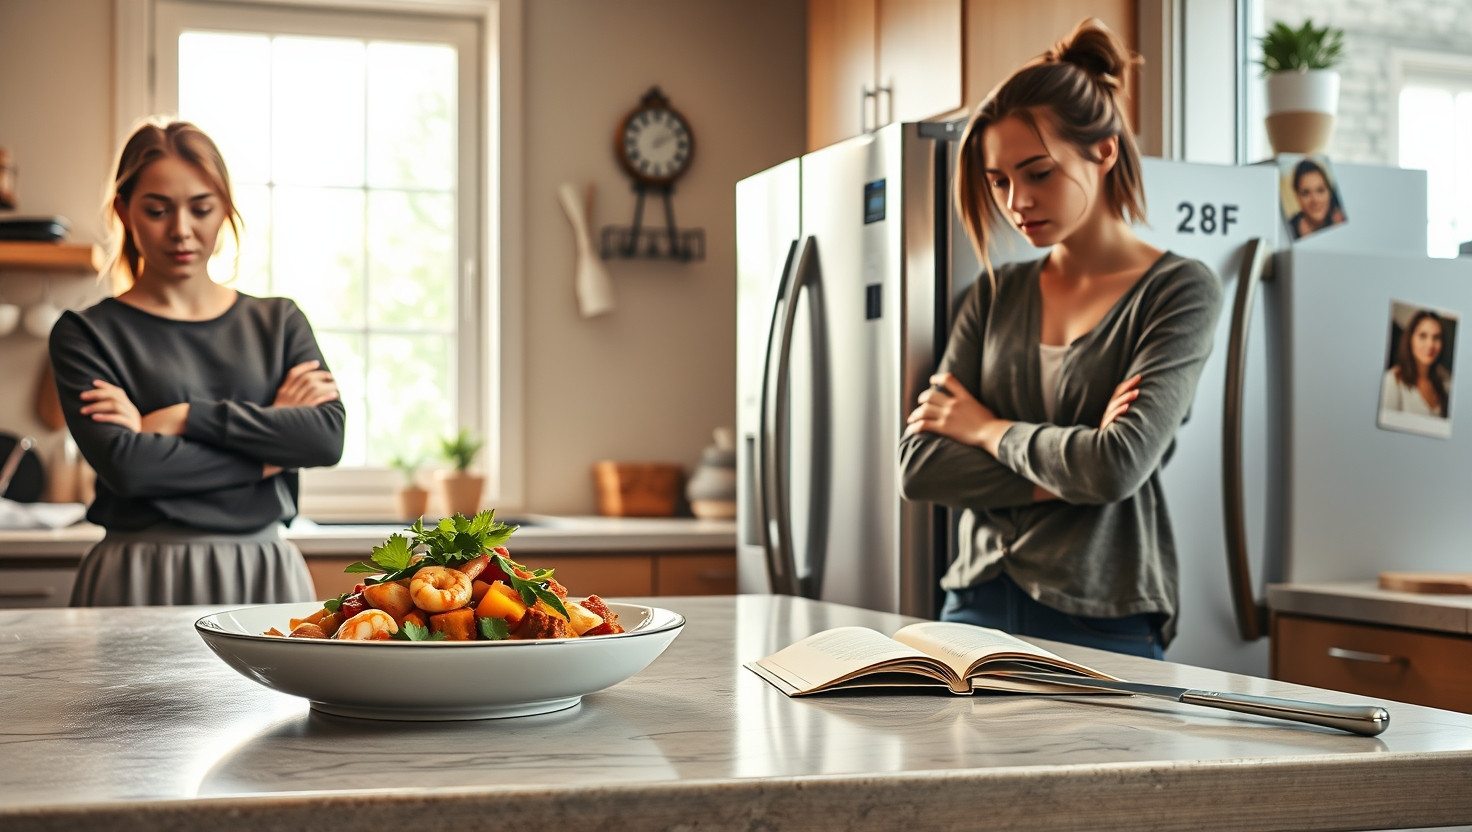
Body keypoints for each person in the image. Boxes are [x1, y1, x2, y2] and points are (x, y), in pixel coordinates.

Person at [897, 19, 1222, 659]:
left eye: (1038, 173)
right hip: (973, 605)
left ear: (1104, 151)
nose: (1016, 201)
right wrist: (1073, 471)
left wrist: (986, 429)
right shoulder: (994, 294)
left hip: (1106, 611)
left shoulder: (1179, 291)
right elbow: (921, 466)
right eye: (999, 181)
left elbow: (1116, 466)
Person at [50, 120, 346, 606]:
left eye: (201, 208)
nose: (181, 230)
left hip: (262, 571)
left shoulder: (279, 321)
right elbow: (130, 469)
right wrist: (270, 452)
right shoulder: (85, 333)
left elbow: (324, 439)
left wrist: (184, 417)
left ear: (224, 208)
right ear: (124, 211)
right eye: (157, 210)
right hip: (137, 573)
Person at [1381, 309, 1451, 418]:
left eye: (1436, 337)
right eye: (1423, 336)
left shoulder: (1445, 383)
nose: (1430, 345)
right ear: (1410, 339)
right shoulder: (1393, 380)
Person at [1288, 158, 1345, 239]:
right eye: (1306, 193)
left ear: (1329, 192)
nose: (1315, 200)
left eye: (1320, 190)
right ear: (1297, 196)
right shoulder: (1289, 230)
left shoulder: (1341, 219)